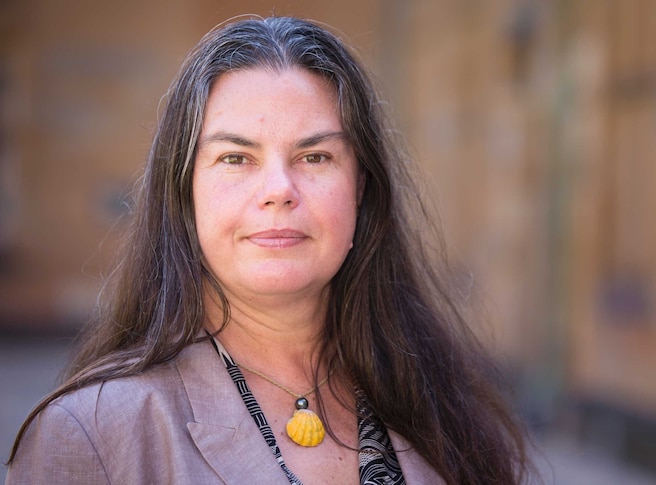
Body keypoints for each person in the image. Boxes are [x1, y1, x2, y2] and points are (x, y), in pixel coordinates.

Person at [5, 15, 533, 484]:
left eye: (315, 157)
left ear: (361, 190)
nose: (279, 189)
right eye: (236, 158)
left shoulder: (448, 412)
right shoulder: (91, 437)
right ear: (184, 193)